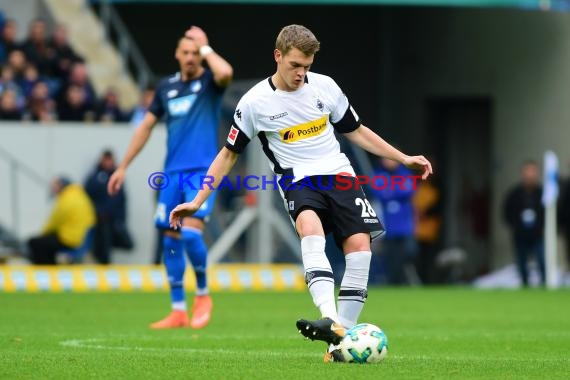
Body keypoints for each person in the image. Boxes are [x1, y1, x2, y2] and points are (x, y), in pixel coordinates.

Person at [169, 24, 431, 361]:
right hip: (298, 180)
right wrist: (197, 200)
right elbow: (228, 154)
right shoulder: (255, 103)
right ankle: (330, 317)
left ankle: (339, 340)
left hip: (339, 175)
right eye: (295, 65)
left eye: (306, 66)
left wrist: (403, 157)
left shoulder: (325, 87)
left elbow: (357, 131)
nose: (301, 74)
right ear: (278, 56)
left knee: (360, 248)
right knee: (310, 228)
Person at [107, 26, 233, 329]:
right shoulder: (166, 88)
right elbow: (145, 127)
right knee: (170, 239)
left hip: (202, 172)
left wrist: (206, 47)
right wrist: (123, 165)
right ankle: (178, 310)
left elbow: (226, 72)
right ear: (177, 55)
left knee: (190, 232)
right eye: (186, 52)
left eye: (195, 53)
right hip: (172, 174)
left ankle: (202, 295)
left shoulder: (208, 83)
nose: (191, 58)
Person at [370, 157, 418, 285]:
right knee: (387, 256)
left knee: (404, 255)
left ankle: (401, 281)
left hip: (404, 225)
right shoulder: (378, 174)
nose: (389, 162)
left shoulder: (405, 174)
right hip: (386, 225)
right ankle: (389, 282)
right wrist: (395, 191)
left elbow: (408, 191)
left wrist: (390, 191)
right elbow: (378, 192)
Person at [28, 176, 96, 264]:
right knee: (46, 243)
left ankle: (47, 272)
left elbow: (54, 221)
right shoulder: (79, 195)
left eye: (55, 186)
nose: (53, 189)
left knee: (34, 243)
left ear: (61, 185)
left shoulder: (67, 198)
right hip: (80, 236)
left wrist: (43, 234)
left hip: (70, 238)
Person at [85, 149, 132, 264]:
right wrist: (98, 212)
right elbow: (87, 198)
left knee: (124, 243)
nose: (108, 163)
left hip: (114, 219)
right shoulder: (94, 177)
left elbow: (122, 199)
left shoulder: (117, 177)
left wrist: (121, 219)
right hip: (100, 220)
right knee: (101, 247)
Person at [503, 160, 545, 287]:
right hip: (520, 235)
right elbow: (506, 212)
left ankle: (545, 284)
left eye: (533, 172)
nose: (530, 175)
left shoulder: (542, 193)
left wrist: (540, 226)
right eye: (528, 172)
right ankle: (525, 285)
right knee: (521, 262)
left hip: (537, 234)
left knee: (542, 260)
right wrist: (516, 226)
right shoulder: (514, 194)